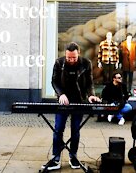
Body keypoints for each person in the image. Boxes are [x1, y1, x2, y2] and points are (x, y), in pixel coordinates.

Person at [42, 42, 101, 171]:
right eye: (69, 58)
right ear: (65, 54)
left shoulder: (86, 63)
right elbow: (54, 81)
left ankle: (73, 156)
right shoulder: (59, 63)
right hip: (63, 100)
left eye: (73, 57)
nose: (71, 60)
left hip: (78, 100)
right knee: (58, 129)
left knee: (75, 130)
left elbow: (90, 82)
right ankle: (56, 158)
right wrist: (61, 94)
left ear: (78, 53)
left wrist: (91, 95)